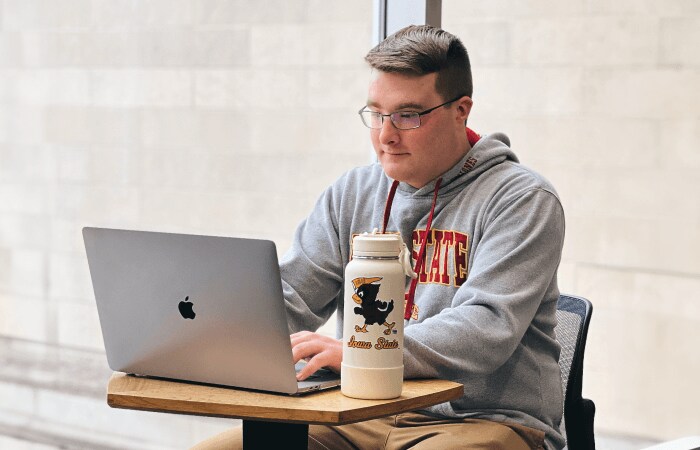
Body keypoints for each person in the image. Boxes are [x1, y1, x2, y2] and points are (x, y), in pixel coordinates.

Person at [195, 25, 565, 450]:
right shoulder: (352, 192)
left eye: (408, 116)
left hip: (479, 420)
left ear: (461, 110)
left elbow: (486, 329)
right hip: (356, 412)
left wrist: (358, 351)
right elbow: (293, 295)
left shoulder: (521, 199)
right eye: (376, 114)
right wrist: (211, 336)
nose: (385, 135)